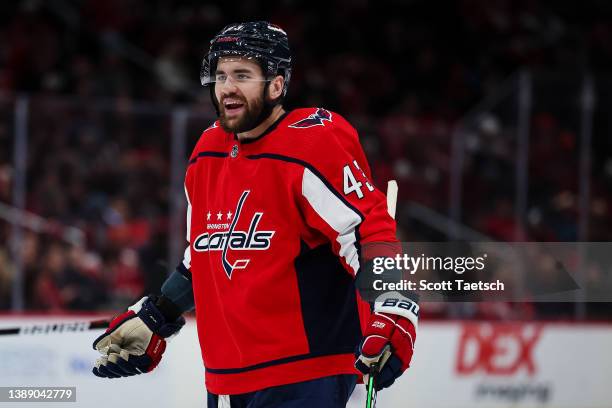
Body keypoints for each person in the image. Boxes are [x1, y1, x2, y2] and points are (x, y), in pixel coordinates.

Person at [92, 21, 418, 408]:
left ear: (276, 85)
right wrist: (158, 314)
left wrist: (393, 303)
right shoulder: (207, 152)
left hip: (304, 376)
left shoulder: (310, 144)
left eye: (242, 75)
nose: (227, 86)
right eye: (220, 75)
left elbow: (367, 233)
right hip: (227, 378)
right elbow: (205, 255)